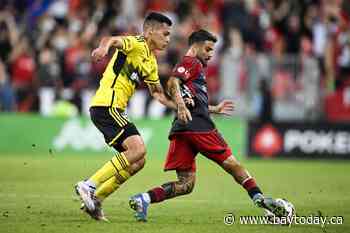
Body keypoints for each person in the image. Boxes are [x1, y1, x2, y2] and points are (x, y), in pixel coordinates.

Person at [129, 29, 288, 222]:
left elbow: (192, 100)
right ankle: (261, 200)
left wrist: (213, 108)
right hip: (199, 127)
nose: (211, 54)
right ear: (195, 46)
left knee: (186, 184)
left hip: (182, 128)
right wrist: (180, 105)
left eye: (213, 50)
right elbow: (172, 82)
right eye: (208, 49)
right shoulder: (191, 62)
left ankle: (143, 199)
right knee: (232, 164)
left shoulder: (193, 67)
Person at [75, 12, 180, 221]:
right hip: (107, 105)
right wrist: (103, 48)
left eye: (170, 35)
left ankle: (96, 200)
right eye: (165, 34)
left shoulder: (150, 62)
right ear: (150, 31)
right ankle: (88, 185)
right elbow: (112, 40)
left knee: (138, 160)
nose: (168, 39)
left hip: (114, 109)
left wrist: (181, 106)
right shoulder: (136, 43)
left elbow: (157, 93)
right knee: (138, 148)